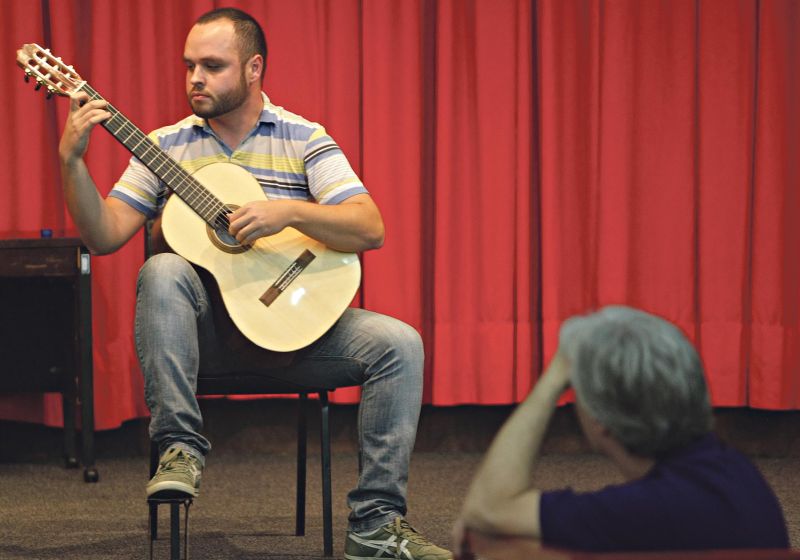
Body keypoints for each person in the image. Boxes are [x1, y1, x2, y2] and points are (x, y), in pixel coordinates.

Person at [58, 7, 451, 560]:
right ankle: (180, 447)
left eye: (212, 66)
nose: (195, 78)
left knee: (401, 344)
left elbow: (370, 226)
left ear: (253, 68)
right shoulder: (163, 145)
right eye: (189, 65)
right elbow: (103, 237)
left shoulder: (302, 137)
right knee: (163, 267)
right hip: (202, 342)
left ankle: (375, 526)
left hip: (294, 335)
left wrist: (286, 213)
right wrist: (71, 162)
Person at [455, 306, 789, 555]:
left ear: (600, 421)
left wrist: (555, 377)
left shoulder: (646, 511)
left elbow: (488, 510)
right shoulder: (735, 471)